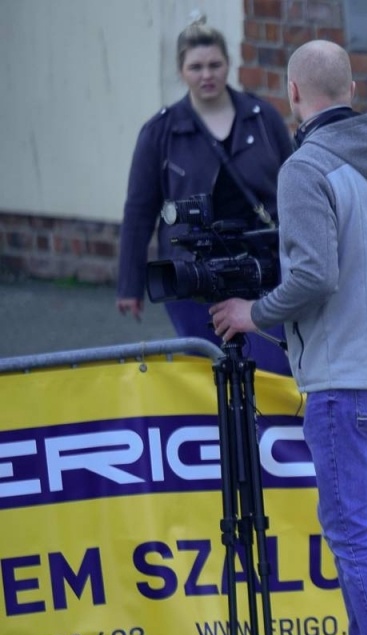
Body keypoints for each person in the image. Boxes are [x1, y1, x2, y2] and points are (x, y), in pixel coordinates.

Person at [210, 40, 367, 635]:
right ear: (350, 86)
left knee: (356, 532)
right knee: (364, 525)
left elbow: (312, 277)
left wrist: (251, 313)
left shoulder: (306, 166)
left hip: (344, 375)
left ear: (293, 93)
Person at [117, 17, 294, 376]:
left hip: (261, 270)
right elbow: (139, 211)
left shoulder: (263, 118)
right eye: (195, 67)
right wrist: (129, 284)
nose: (206, 74)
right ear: (181, 71)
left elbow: (295, 186)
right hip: (193, 276)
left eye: (215, 65)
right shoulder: (160, 131)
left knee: (273, 370)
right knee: (209, 375)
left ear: (228, 64)